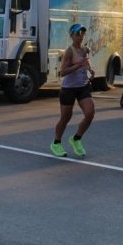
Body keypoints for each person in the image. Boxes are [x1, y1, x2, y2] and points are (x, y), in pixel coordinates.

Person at [50, 23, 95, 158]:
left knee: (90, 113)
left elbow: (86, 62)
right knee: (65, 118)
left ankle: (76, 139)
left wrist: (90, 70)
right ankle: (56, 143)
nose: (81, 36)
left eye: (82, 33)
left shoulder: (85, 49)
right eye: (78, 34)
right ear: (72, 36)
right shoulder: (69, 51)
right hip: (68, 88)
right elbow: (63, 72)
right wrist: (77, 66)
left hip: (83, 86)